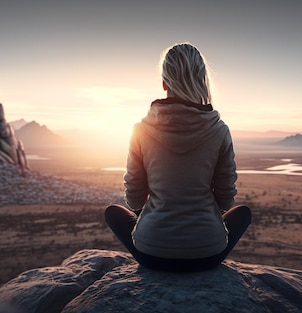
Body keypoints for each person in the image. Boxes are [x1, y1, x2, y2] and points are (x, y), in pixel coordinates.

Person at [105, 42, 251, 272]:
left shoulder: (141, 130)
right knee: (243, 214)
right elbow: (225, 201)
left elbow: (133, 200)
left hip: (151, 252)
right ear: (202, 80)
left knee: (113, 212)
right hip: (207, 253)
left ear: (164, 82)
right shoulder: (219, 130)